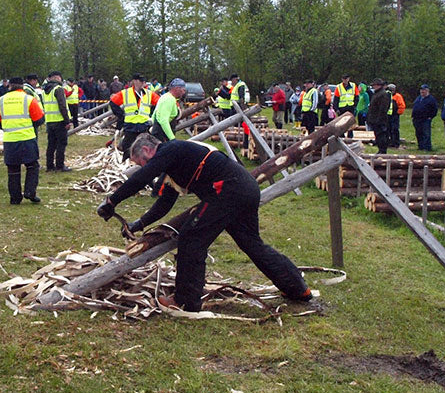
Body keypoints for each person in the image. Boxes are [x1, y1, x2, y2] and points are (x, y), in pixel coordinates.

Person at [96, 134, 313, 312]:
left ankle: (185, 301)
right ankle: (296, 288)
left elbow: (142, 177)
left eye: (141, 162)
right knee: (252, 244)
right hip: (243, 189)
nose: (146, 166)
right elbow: (164, 203)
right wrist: (139, 224)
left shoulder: (170, 149)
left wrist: (112, 201)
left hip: (227, 191)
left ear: (147, 150)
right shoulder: (175, 161)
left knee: (191, 238)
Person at [0, 76, 46, 204]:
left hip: (10, 140)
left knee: (13, 169)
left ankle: (15, 198)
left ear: (9, 86)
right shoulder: (29, 99)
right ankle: (30, 192)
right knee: (32, 166)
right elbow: (40, 119)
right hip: (27, 139)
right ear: (22, 86)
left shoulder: (1, 100)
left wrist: (8, 128)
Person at [110, 74, 159, 158]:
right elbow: (113, 102)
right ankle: (127, 162)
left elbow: (160, 102)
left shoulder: (149, 94)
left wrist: (153, 115)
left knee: (144, 148)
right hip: (130, 126)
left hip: (144, 125)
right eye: (141, 81)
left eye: (144, 81)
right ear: (135, 81)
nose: (144, 83)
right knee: (128, 148)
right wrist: (121, 116)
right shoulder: (125, 93)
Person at [41, 71, 72, 172]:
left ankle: (49, 166)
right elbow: (62, 106)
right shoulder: (58, 89)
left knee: (51, 145)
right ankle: (60, 165)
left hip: (50, 121)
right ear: (57, 78)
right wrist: (67, 121)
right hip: (59, 121)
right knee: (61, 144)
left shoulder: (45, 90)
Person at [367, 78, 392, 154]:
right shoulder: (377, 93)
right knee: (377, 135)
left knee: (381, 135)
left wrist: (379, 119)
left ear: (378, 85)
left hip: (380, 120)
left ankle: (382, 150)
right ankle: (380, 150)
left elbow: (383, 108)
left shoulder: (383, 94)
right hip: (374, 118)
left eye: (374, 85)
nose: (373, 87)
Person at [411, 84, 437, 152]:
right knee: (418, 133)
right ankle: (420, 146)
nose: (422, 91)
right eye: (421, 90)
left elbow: (435, 109)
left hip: (425, 119)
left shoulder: (431, 99)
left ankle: (427, 147)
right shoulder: (418, 98)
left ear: (427, 90)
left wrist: (430, 117)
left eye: (424, 90)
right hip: (417, 119)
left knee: (426, 133)